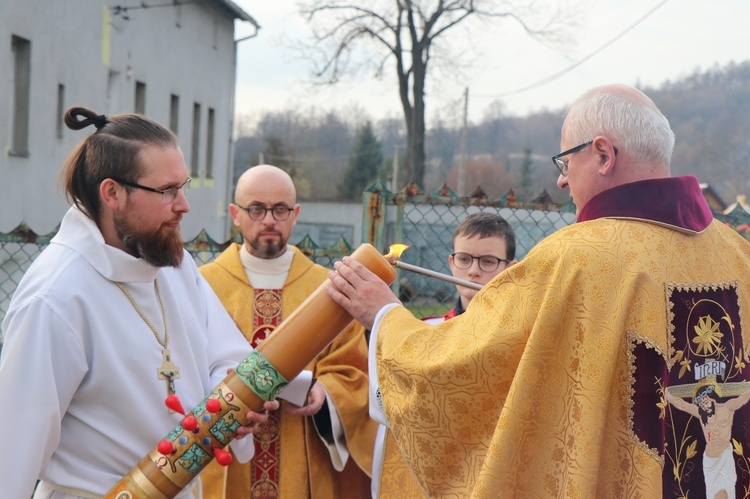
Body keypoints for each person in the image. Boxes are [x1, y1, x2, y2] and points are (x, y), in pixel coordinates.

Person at [325, 84, 750, 497]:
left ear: (603, 154)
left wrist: (384, 317)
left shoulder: (574, 259)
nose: (563, 182)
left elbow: (460, 371)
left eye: (565, 162)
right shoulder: (736, 253)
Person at [0, 107, 277, 499]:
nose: (184, 205)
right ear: (112, 193)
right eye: (167, 191)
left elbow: (225, 357)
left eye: (184, 186)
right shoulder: (56, 296)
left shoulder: (171, 264)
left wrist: (231, 408)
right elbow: (12, 450)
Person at [199, 164, 377, 498]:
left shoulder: (330, 289)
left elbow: (354, 370)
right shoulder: (203, 284)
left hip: (300, 448)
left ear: (295, 215)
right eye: (256, 208)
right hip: (228, 452)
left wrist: (326, 394)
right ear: (236, 214)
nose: (269, 219)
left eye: (280, 209)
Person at [371, 212, 516, 498]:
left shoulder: (514, 344)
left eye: (487, 262)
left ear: (509, 269)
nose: (473, 271)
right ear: (452, 263)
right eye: (464, 259)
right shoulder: (424, 333)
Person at [665, 380, 750, 498]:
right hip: (710, 462)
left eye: (705, 400)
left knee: (727, 491)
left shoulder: (727, 408)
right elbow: (683, 405)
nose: (704, 404)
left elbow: (742, 399)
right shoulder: (701, 414)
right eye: (701, 403)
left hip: (725, 457)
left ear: (712, 397)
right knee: (712, 494)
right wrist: (668, 396)